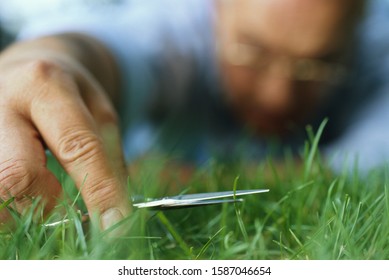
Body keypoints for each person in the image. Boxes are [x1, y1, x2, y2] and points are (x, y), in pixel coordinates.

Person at [0, 0, 387, 229]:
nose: (278, 95)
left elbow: (376, 155)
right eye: (253, 52)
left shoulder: (376, 49)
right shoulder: (176, 30)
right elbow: (97, 49)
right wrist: (36, 67)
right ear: (216, 8)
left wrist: (196, 179)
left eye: (319, 65)